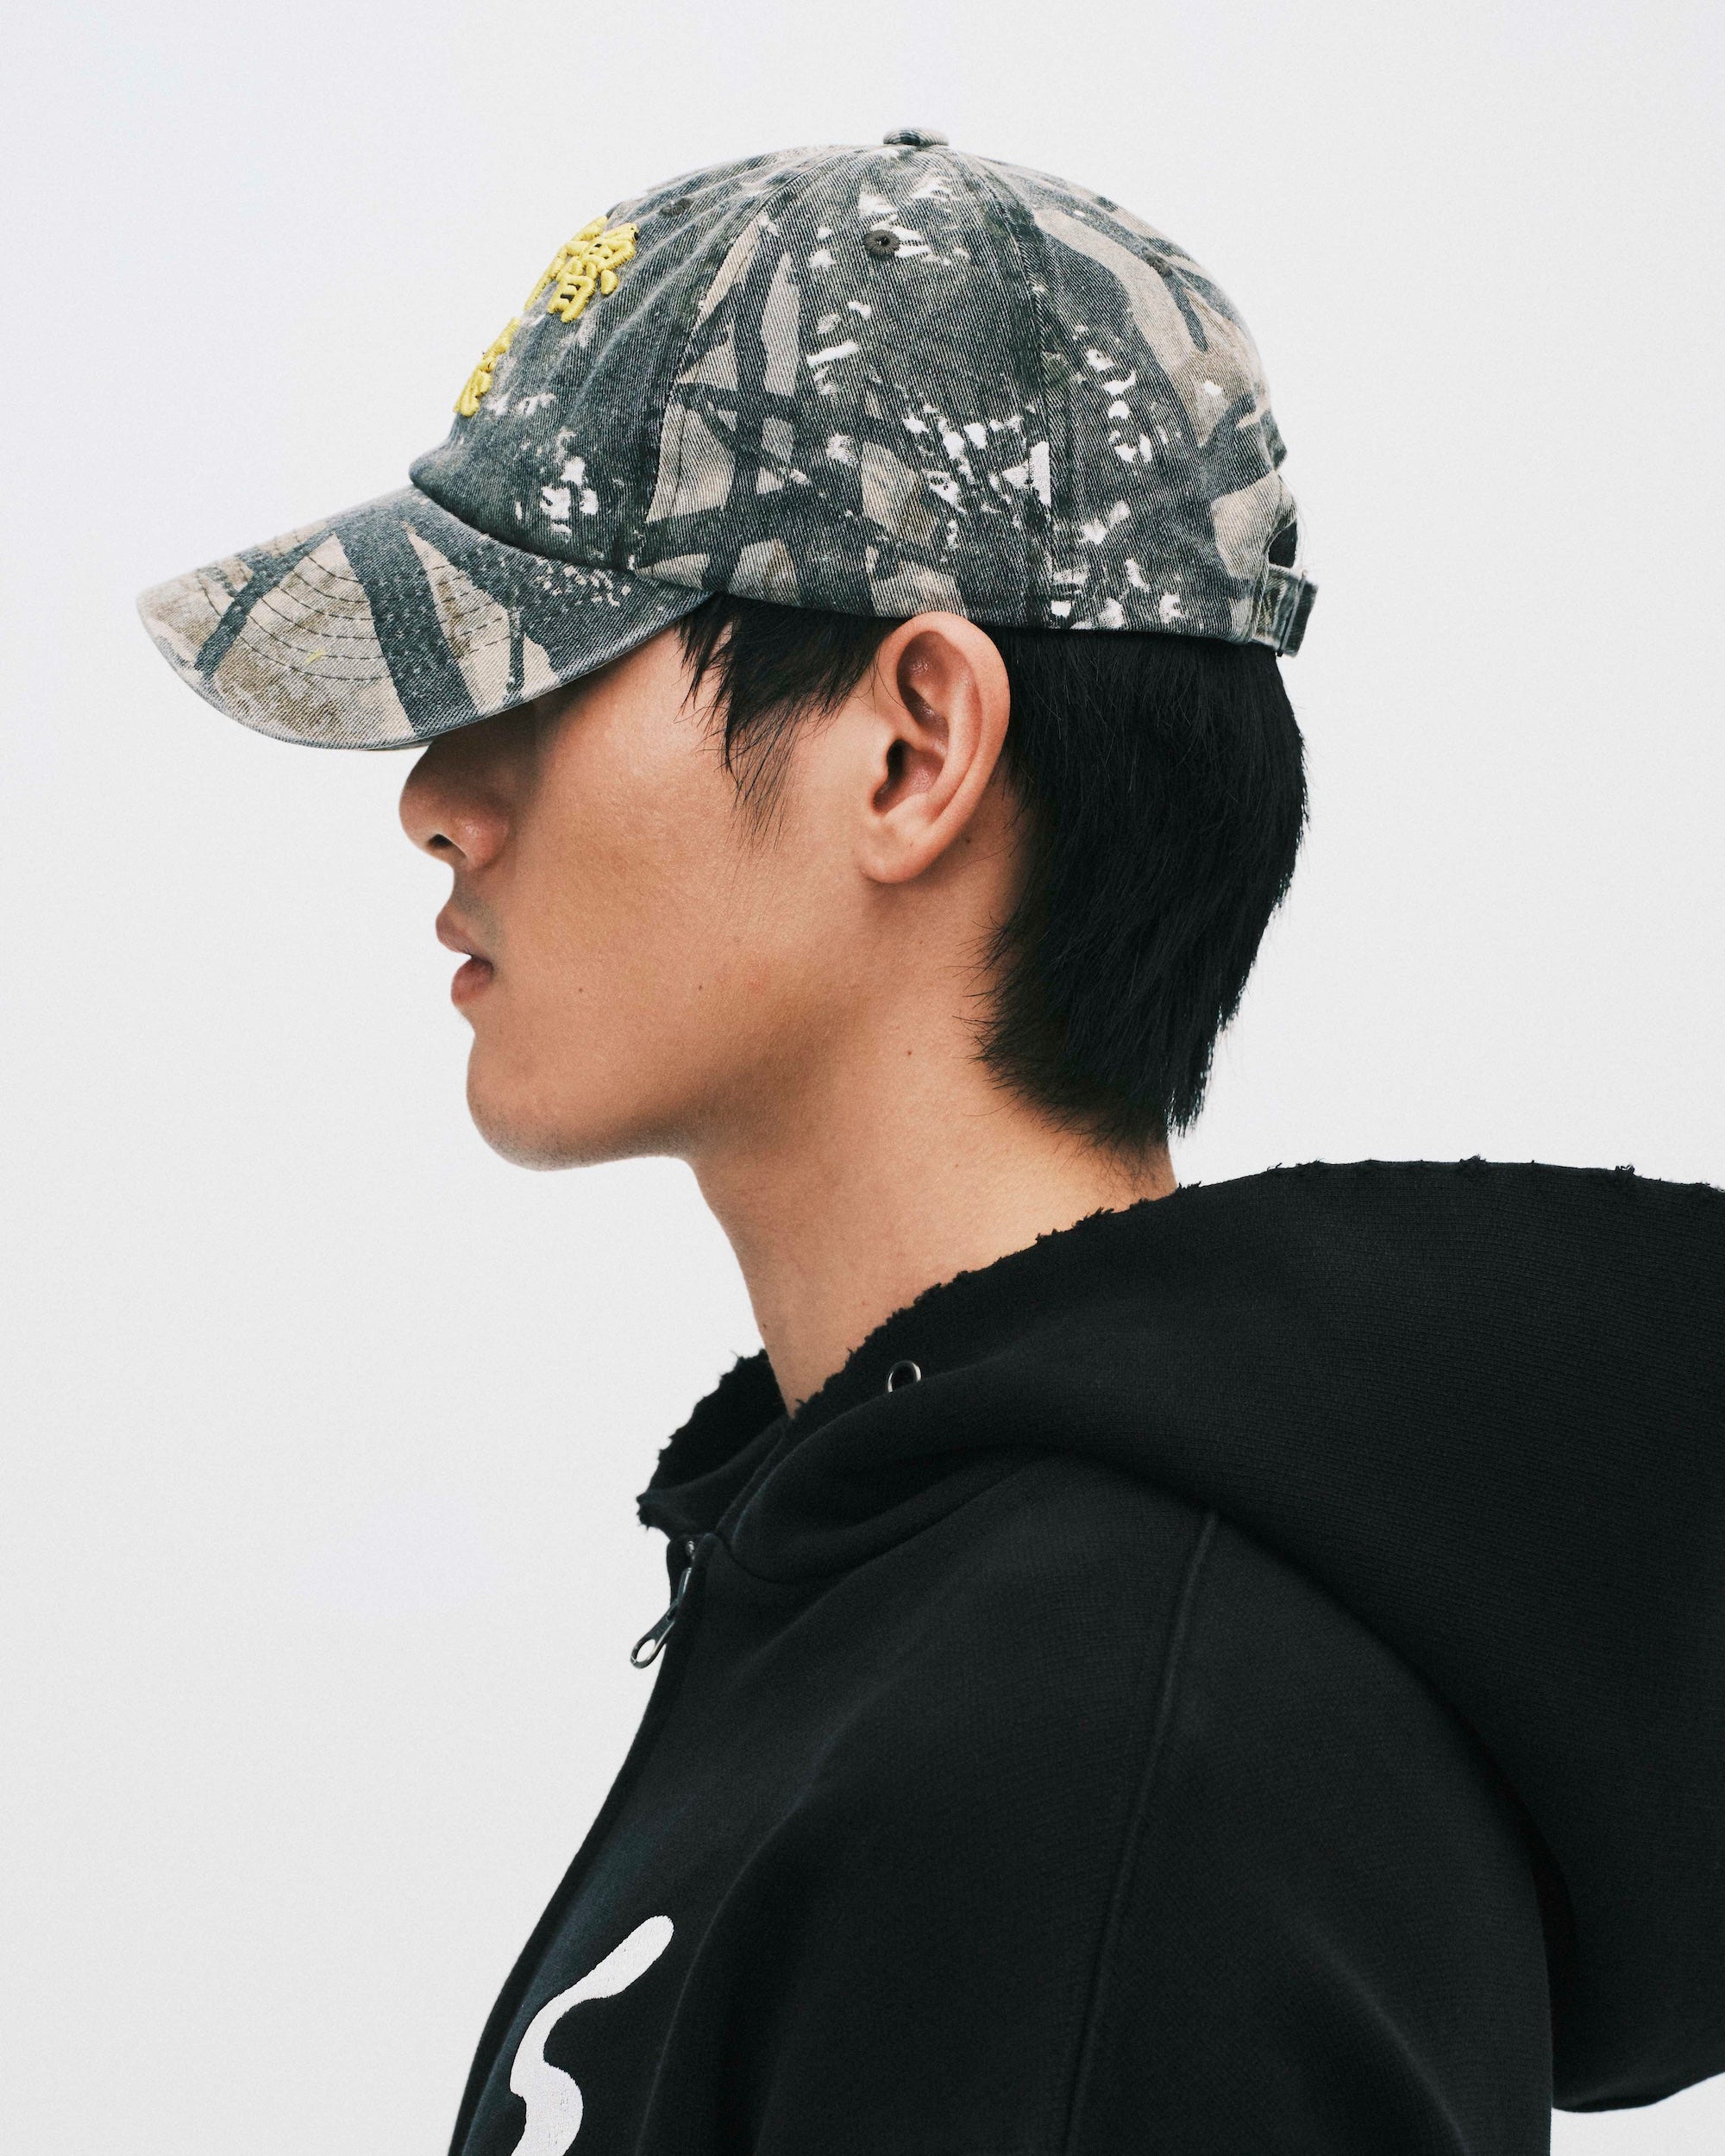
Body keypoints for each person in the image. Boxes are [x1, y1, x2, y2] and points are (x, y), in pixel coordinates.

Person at [137, 131, 1723, 2156]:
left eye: (551, 663)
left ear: (912, 746)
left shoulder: (1110, 1757)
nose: (434, 795)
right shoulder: (934, 1614)